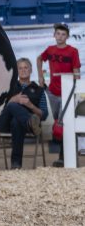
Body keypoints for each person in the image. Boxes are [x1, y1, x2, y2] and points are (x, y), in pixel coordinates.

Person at [37, 23, 80, 167]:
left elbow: (76, 71)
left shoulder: (73, 51)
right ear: (54, 35)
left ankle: (63, 157)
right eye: (58, 34)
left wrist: (75, 88)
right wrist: (40, 77)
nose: (60, 37)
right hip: (52, 92)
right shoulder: (50, 50)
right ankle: (64, 155)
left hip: (67, 93)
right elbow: (39, 59)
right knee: (58, 123)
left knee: (64, 124)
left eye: (63, 34)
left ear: (67, 36)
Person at [0, 58, 48, 169]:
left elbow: (44, 115)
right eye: (20, 68)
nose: (23, 70)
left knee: (16, 122)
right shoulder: (8, 87)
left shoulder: (39, 90)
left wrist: (31, 105)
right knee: (12, 105)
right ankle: (29, 121)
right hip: (4, 123)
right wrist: (12, 100)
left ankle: (16, 164)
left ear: (31, 70)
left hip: (23, 127)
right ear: (16, 71)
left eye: (26, 68)